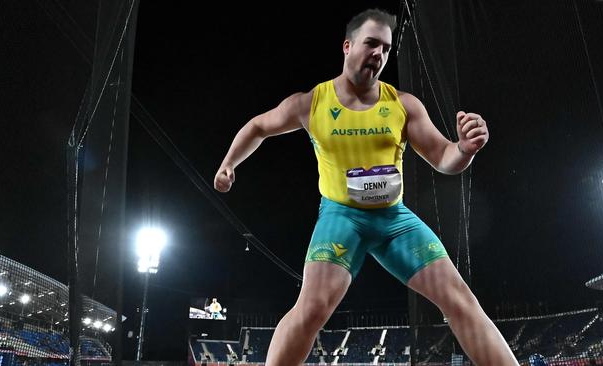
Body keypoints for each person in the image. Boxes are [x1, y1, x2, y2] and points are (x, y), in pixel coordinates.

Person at [214, 8, 519, 366]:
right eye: (372, 43)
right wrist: (228, 164)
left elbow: (443, 158)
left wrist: (466, 150)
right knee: (311, 308)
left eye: (386, 48)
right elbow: (258, 127)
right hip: (342, 218)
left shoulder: (403, 106)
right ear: (347, 46)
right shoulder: (312, 103)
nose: (379, 53)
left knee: (460, 301)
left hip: (395, 221)